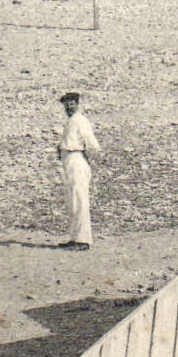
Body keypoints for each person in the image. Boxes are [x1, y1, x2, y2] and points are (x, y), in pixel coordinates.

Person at [54, 92, 101, 250]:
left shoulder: (80, 120)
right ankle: (75, 238)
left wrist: (86, 158)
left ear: (77, 104)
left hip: (76, 159)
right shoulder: (71, 121)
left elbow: (92, 144)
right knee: (72, 200)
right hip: (69, 160)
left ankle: (83, 240)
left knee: (80, 200)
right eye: (66, 104)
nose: (68, 106)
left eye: (71, 103)